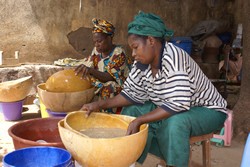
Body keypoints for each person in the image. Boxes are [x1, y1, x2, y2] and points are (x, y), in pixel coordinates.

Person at [81, 11, 228, 167]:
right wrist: (98, 105)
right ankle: (129, 161)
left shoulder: (174, 57)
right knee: (131, 112)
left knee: (175, 122)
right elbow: (130, 95)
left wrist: (141, 120)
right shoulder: (141, 63)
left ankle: (174, 163)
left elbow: (177, 104)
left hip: (207, 110)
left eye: (136, 47)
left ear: (151, 40)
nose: (133, 53)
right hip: (171, 107)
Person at [75, 18, 131, 113]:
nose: (96, 44)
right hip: (101, 82)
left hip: (119, 87)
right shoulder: (96, 51)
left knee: (109, 87)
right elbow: (90, 64)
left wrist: (91, 71)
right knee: (83, 82)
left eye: (99, 41)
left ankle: (107, 116)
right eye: (95, 42)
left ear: (109, 38)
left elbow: (110, 77)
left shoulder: (118, 53)